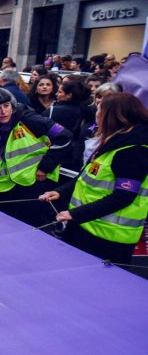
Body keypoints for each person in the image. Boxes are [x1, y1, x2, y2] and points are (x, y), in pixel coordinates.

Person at [40, 93, 148, 265]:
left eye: (99, 109)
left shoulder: (133, 150)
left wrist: (75, 214)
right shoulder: (114, 141)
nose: (96, 113)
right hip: (85, 226)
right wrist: (60, 192)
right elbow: (87, 176)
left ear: (111, 115)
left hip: (107, 238)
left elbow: (123, 197)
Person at [0, 88, 72, 227]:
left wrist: (45, 167)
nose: (3, 111)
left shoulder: (29, 119)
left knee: (30, 230)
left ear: (12, 105)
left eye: (6, 105)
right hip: (3, 189)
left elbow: (64, 136)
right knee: (1, 227)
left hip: (31, 185)